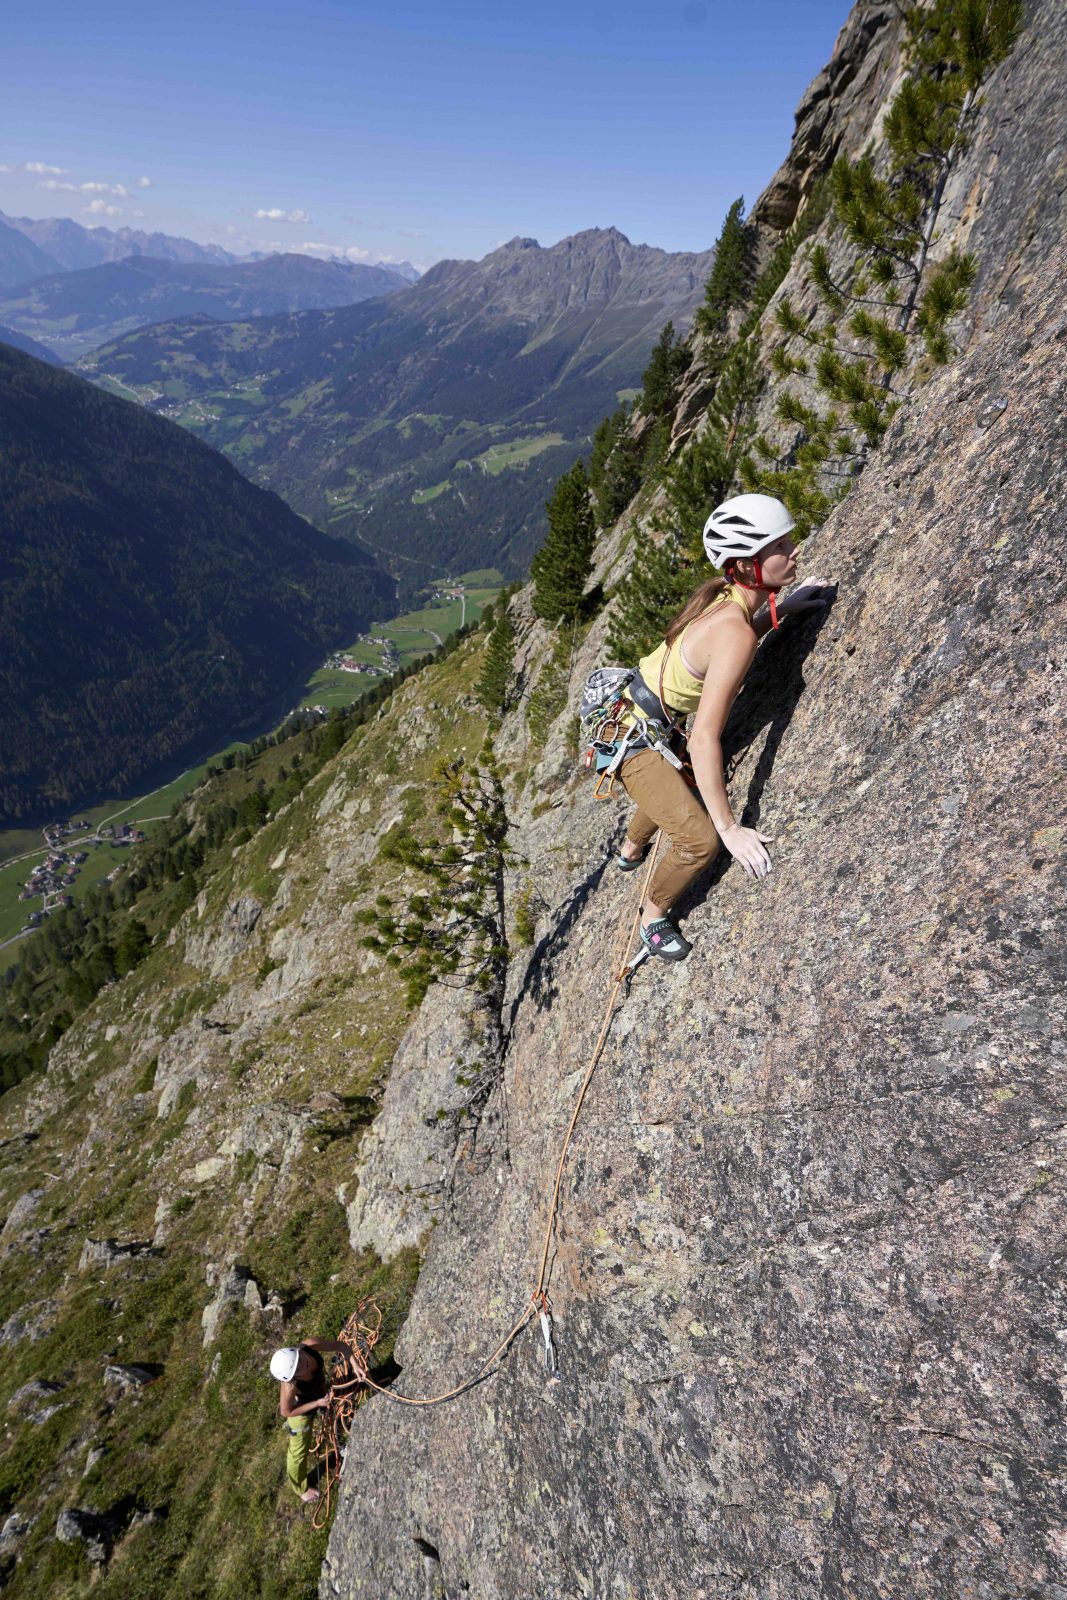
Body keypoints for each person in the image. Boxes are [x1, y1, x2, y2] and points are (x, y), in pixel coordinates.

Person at [615, 493, 831, 961]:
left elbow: (736, 631)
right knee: (699, 839)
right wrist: (730, 827)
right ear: (747, 565)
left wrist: (782, 608)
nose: (794, 549)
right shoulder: (733, 627)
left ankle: (631, 849)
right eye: (780, 546)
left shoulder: (725, 600)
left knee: (679, 783)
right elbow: (703, 737)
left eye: (789, 540)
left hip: (634, 714)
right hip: (637, 739)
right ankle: (651, 915)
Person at [270, 1339, 352, 1504]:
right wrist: (316, 1404)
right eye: (297, 1369)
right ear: (292, 1377)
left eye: (299, 1359)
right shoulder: (290, 1385)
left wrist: (354, 1364)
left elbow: (341, 1345)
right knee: (298, 1453)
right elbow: (286, 1411)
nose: (303, 1365)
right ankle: (301, 1488)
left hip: (319, 1395)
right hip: (300, 1415)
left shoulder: (309, 1346)